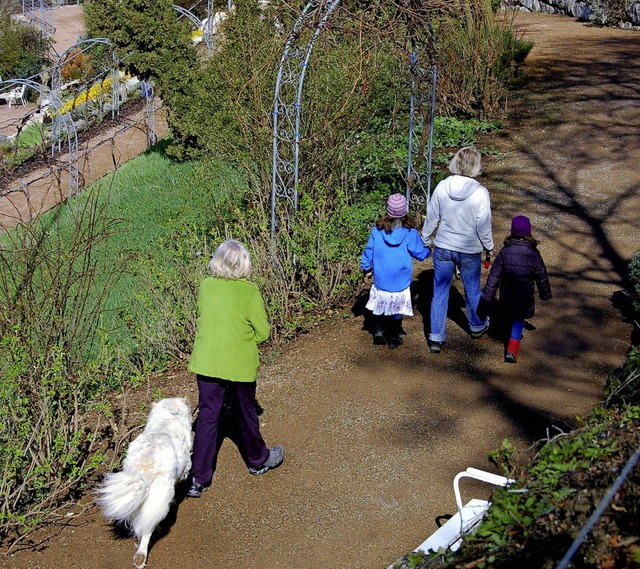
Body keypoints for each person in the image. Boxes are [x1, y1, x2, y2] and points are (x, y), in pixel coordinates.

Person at [187, 239, 284, 498]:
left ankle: (198, 478)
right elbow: (263, 333)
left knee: (207, 418)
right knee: (245, 413)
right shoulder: (249, 291)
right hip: (239, 363)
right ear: (244, 264)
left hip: (207, 362)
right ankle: (258, 460)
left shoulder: (206, 286)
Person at [421, 146, 494, 354]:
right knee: (472, 290)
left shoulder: (443, 186)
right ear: (476, 165)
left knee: (439, 292)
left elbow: (432, 215)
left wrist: (426, 238)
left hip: (443, 247)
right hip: (469, 250)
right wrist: (488, 246)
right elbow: (483, 225)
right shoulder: (481, 192)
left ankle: (436, 336)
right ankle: (477, 326)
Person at [361, 193, 430, 349]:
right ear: (405, 211)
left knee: (379, 302)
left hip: (381, 278)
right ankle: (393, 337)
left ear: (388, 210)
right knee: (397, 308)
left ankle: (378, 331)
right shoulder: (410, 233)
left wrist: (366, 267)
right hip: (401, 280)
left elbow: (369, 251)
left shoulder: (377, 231)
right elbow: (419, 254)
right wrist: (428, 251)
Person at [479, 215, 552, 363]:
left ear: (512, 231)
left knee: (506, 313)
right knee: (518, 319)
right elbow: (541, 275)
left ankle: (501, 331)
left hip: (507, 294)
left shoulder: (505, 252)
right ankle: (512, 348)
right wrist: (545, 293)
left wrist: (487, 295)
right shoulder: (533, 254)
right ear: (529, 232)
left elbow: (494, 277)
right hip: (525, 296)